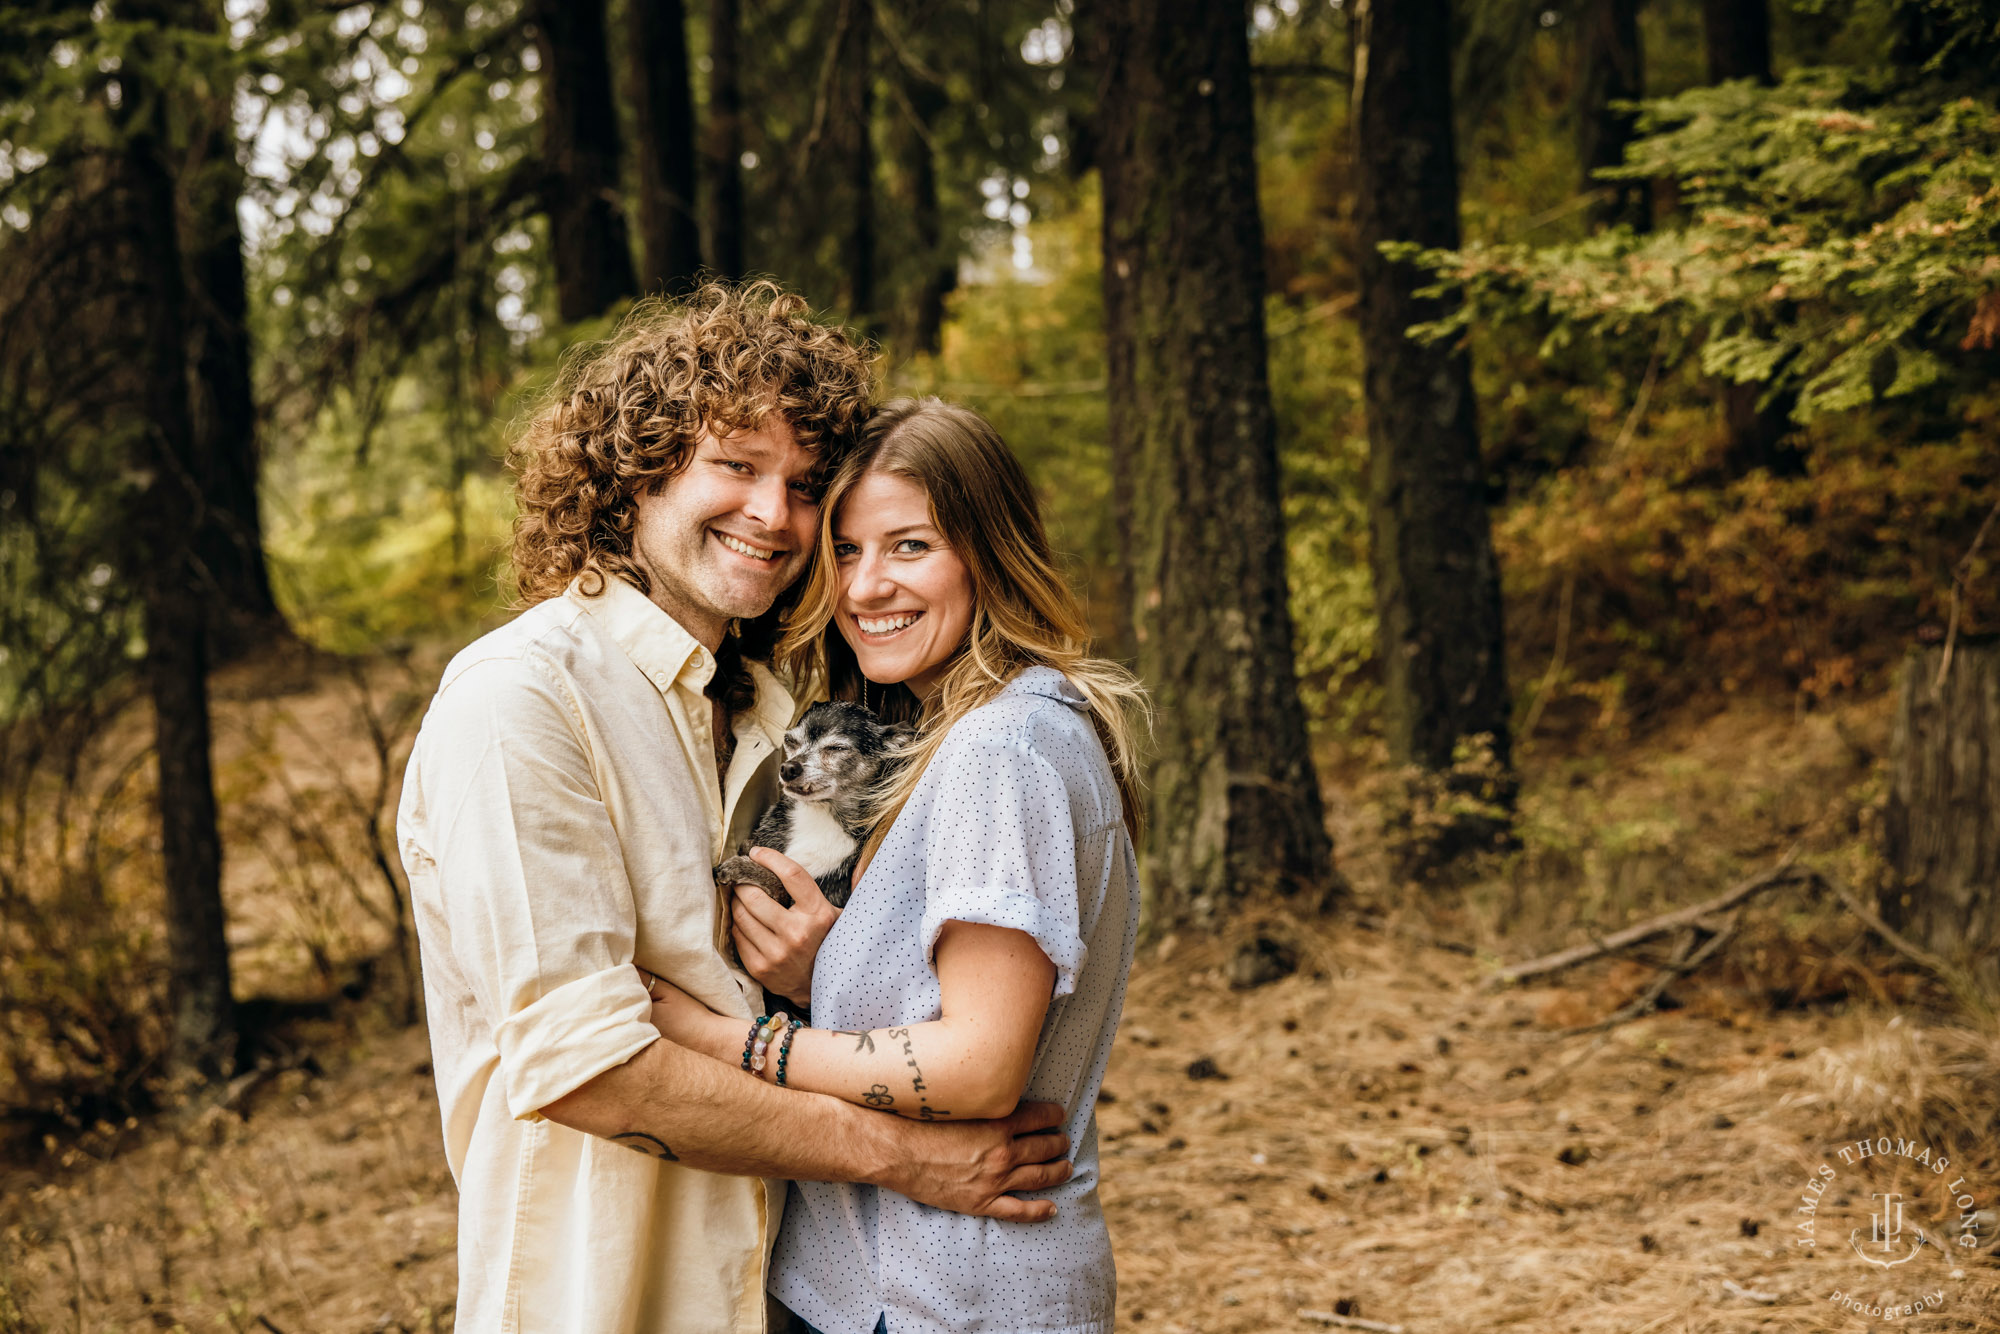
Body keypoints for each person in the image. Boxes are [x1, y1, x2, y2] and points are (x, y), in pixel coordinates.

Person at [396, 290, 1075, 1334]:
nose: (774, 515)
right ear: (639, 465)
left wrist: (821, 975)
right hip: (607, 1299)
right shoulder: (520, 698)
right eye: (736, 465)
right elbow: (591, 1069)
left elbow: (809, 1019)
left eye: (805, 485)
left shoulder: (784, 720)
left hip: (796, 1293)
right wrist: (908, 1159)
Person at [645, 397, 1148, 1334]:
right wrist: (824, 970)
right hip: (880, 1281)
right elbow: (954, 1003)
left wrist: (733, 1045)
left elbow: (981, 1066)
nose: (865, 586)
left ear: (990, 553)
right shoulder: (966, 730)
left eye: (909, 547)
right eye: (844, 551)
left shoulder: (1002, 748)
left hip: (942, 1291)